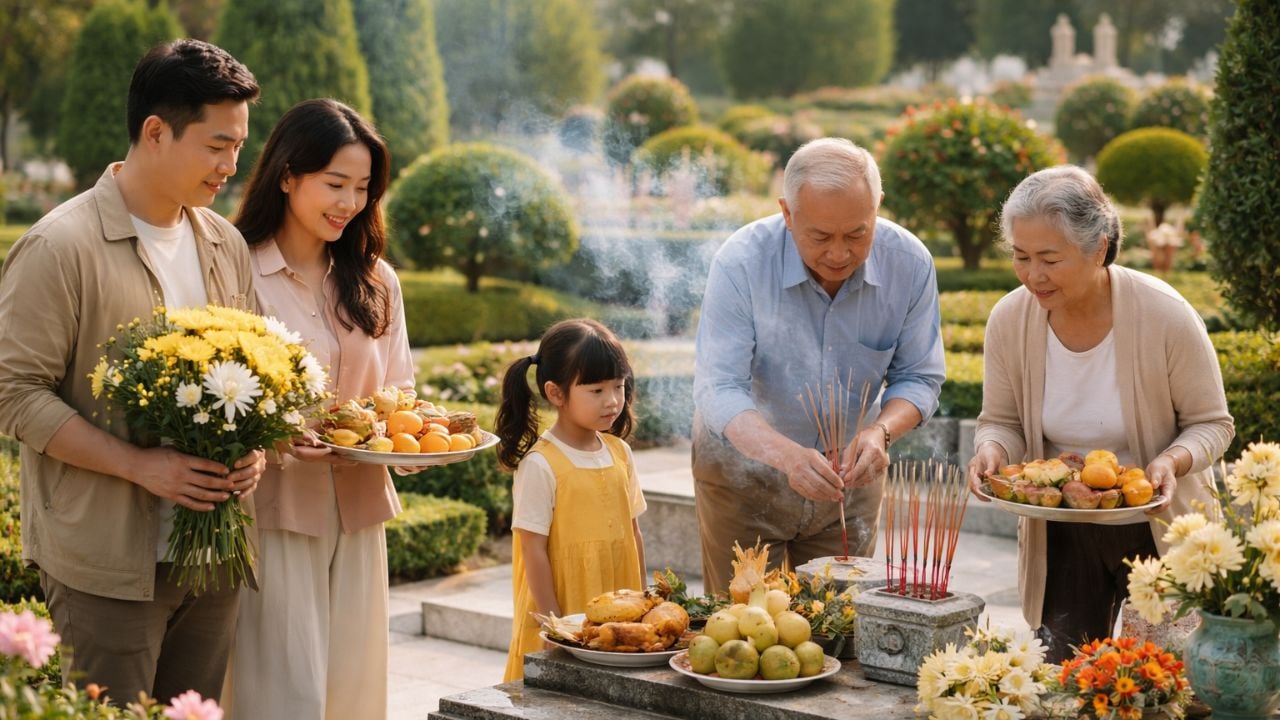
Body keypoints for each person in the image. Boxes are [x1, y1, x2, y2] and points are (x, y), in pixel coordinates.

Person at [0, 40, 263, 705]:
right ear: (155, 132)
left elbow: (257, 371)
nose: (233, 165)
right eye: (217, 145)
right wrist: (139, 465)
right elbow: (11, 395)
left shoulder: (223, 243)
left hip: (214, 553)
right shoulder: (60, 247)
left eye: (238, 146)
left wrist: (256, 447)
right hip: (108, 566)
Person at [966, 165, 1233, 662]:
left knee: (1160, 683)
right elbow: (1001, 420)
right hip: (1062, 527)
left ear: (1100, 247)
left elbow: (1213, 423)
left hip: (1157, 525)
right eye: (1021, 257)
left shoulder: (1165, 315)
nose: (1033, 275)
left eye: (1050, 258)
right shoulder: (1009, 319)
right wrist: (991, 450)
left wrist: (1171, 460)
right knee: (1066, 679)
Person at [221, 99, 414, 720]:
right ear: (286, 174)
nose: (349, 202)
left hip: (359, 509)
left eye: (362, 188)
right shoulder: (236, 269)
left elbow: (401, 393)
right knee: (281, 690)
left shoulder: (377, 280)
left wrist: (411, 445)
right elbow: (214, 392)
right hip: (274, 509)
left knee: (353, 691)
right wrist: (276, 436)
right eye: (335, 184)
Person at [691, 137, 946, 593]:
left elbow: (919, 376)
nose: (839, 254)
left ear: (878, 206)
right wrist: (785, 455)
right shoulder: (742, 262)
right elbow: (719, 388)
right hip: (744, 475)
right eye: (820, 236)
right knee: (744, 636)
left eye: (857, 233)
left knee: (839, 628)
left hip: (850, 479)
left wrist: (879, 432)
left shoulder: (910, 263)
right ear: (787, 213)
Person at [495, 318, 647, 681]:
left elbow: (633, 532)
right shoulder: (541, 463)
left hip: (618, 604)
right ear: (556, 393)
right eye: (596, 390)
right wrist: (554, 624)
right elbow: (532, 549)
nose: (612, 401)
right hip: (564, 609)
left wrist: (642, 601)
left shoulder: (620, 452)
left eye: (618, 386)